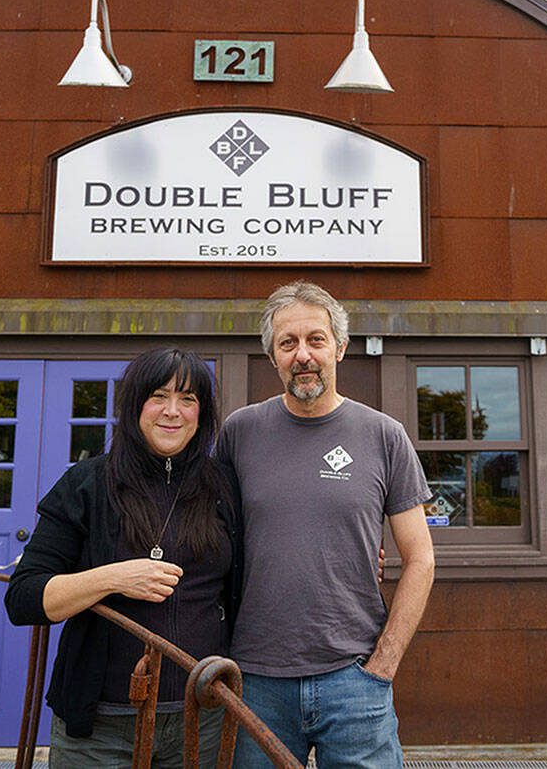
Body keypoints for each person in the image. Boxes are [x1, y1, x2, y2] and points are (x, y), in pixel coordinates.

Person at [218, 281, 435, 768]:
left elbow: (420, 558)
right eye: (287, 343)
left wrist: (383, 665)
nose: (303, 355)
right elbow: (213, 537)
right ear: (272, 356)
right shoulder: (239, 432)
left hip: (354, 678)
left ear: (339, 347)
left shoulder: (383, 435)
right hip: (255, 679)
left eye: (316, 340)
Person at [4, 347, 242, 768]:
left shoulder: (223, 486)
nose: (172, 411)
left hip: (200, 718)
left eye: (188, 399)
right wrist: (112, 578)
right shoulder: (87, 484)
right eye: (159, 396)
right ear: (135, 405)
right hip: (102, 726)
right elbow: (24, 598)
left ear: (202, 414)